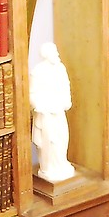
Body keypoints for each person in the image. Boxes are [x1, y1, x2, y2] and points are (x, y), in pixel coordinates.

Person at [29, 42, 76, 183]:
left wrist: (66, 101)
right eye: (54, 52)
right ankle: (49, 167)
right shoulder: (37, 72)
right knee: (49, 141)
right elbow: (32, 93)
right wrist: (40, 106)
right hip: (46, 112)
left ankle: (61, 162)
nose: (57, 54)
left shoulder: (60, 68)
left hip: (58, 109)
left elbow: (65, 86)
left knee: (62, 137)